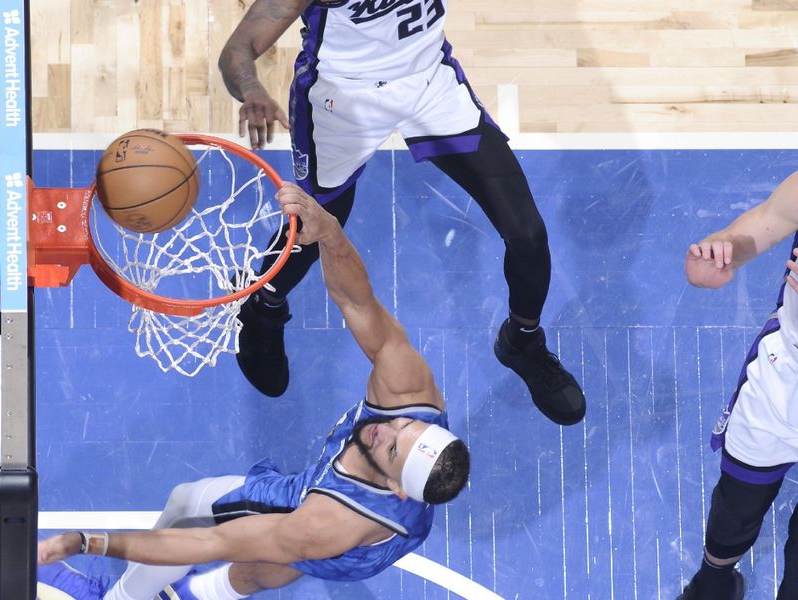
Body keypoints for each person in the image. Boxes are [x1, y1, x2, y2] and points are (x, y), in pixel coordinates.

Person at [36, 183, 470, 600]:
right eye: (404, 425)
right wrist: (331, 234)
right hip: (356, 520)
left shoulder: (329, 524)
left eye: (392, 449)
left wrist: (88, 541)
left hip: (352, 535)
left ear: (396, 487)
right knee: (272, 561)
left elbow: (208, 544)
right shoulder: (408, 391)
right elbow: (357, 300)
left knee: (193, 508)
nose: (385, 430)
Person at [218, 0, 586, 425]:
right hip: (344, 99)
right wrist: (252, 91)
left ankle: (522, 340)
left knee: (528, 235)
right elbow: (238, 50)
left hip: (430, 81)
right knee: (317, 222)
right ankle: (261, 304)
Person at [678, 171, 798, 599]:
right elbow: (767, 219)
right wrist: (724, 249)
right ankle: (713, 577)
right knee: (736, 508)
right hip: (781, 381)